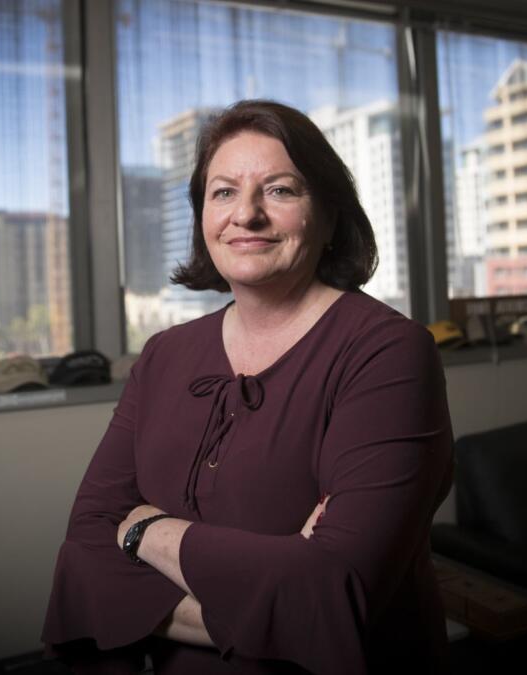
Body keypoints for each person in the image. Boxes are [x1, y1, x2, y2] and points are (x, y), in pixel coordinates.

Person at [41, 99, 455, 674]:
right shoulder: (164, 355)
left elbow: (337, 587)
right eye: (224, 192)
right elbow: (84, 546)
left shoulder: (389, 352)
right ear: (203, 216)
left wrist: (143, 530)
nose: (247, 215)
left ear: (330, 215)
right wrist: (275, 599)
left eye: (281, 190)